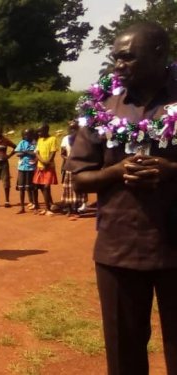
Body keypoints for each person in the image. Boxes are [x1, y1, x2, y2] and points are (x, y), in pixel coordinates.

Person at [67, 22, 177, 374]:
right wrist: (117, 172)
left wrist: (171, 170)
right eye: (115, 58)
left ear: (160, 54)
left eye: (127, 57)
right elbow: (81, 178)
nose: (117, 65)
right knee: (124, 352)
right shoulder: (100, 107)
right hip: (119, 251)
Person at [59, 122, 87, 219]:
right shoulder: (65, 139)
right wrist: (68, 159)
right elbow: (62, 153)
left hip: (80, 167)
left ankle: (76, 209)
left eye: (74, 129)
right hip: (69, 167)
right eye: (70, 129)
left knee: (78, 188)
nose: (72, 131)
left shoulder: (83, 139)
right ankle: (70, 209)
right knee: (68, 188)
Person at [33, 122, 58, 216]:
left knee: (47, 186)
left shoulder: (53, 139)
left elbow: (53, 152)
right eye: (38, 132)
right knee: (42, 187)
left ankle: (48, 208)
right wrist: (42, 161)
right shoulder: (39, 140)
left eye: (40, 131)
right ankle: (49, 206)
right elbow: (37, 153)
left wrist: (47, 161)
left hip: (49, 167)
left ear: (46, 130)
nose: (39, 133)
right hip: (40, 166)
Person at [14, 128, 38, 214]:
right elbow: (17, 153)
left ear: (32, 135)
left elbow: (35, 153)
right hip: (21, 167)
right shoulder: (22, 142)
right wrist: (27, 152)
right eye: (25, 135)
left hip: (31, 167)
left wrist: (25, 152)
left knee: (32, 187)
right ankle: (22, 207)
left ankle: (35, 206)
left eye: (28, 134)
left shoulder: (34, 143)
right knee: (21, 188)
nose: (26, 136)